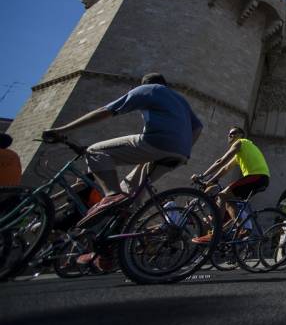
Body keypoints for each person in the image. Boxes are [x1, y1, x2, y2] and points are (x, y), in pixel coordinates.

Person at [42, 73, 202, 225]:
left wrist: (63, 129)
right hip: (180, 154)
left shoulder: (148, 89)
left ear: (144, 84)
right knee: (131, 189)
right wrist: (184, 148)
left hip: (157, 142)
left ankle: (112, 195)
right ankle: (120, 233)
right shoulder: (180, 99)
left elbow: (105, 111)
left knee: (95, 151)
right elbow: (198, 128)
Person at [191, 127, 271, 244]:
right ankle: (241, 228)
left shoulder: (240, 143)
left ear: (241, 135)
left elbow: (221, 161)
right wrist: (209, 181)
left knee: (222, 195)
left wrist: (202, 175)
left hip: (256, 177)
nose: (230, 136)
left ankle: (217, 232)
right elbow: (225, 168)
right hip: (260, 179)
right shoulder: (241, 152)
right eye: (229, 134)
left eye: (233, 133)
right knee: (229, 201)